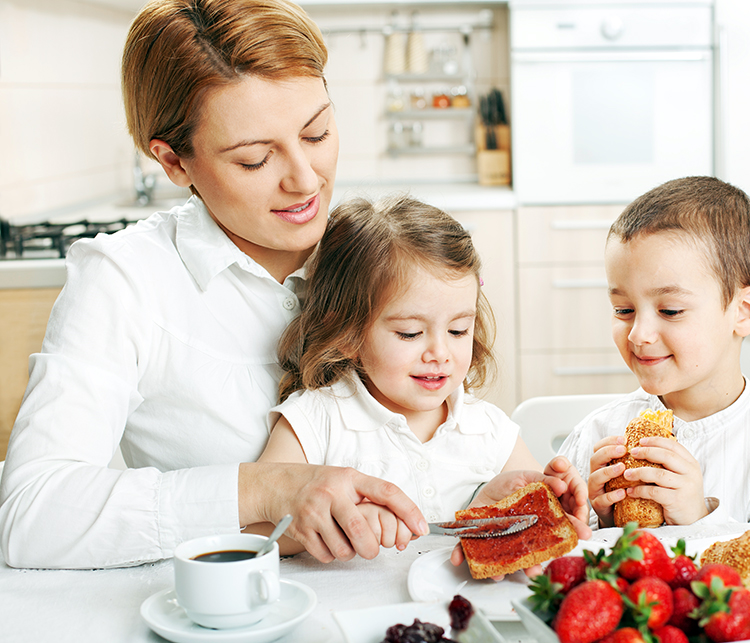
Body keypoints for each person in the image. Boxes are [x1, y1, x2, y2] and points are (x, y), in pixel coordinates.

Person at [0, 0, 429, 570]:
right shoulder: (125, 281)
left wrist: (484, 492)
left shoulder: (378, 252)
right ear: (175, 162)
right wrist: (262, 488)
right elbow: (33, 514)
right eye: (254, 160)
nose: (305, 179)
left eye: (318, 132)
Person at [257, 195, 591, 556]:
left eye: (459, 330)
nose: (440, 353)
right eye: (410, 334)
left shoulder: (489, 429)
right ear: (348, 334)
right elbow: (255, 533)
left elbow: (545, 522)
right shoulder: (313, 421)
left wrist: (557, 502)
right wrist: (336, 524)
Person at [558, 176, 750, 527]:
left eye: (670, 311)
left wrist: (699, 521)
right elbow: (558, 562)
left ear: (745, 311)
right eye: (623, 310)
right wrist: (598, 522)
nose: (639, 334)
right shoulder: (596, 435)